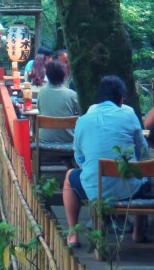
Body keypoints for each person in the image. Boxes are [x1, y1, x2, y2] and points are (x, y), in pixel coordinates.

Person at [63, 75, 148, 248]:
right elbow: (143, 150)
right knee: (143, 174)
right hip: (131, 189)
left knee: (69, 177)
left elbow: (79, 158)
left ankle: (72, 233)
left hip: (95, 190)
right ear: (121, 98)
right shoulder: (129, 113)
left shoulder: (83, 120)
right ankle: (138, 232)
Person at [36, 60, 80, 143]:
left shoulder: (41, 92)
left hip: (44, 141)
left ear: (47, 75)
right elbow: (83, 113)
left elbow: (40, 110)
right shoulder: (72, 94)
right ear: (64, 75)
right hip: (68, 141)